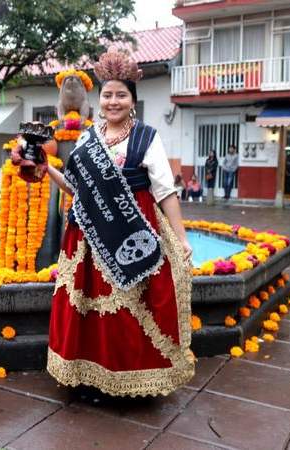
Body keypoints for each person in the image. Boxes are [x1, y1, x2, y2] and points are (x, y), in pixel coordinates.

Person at [13, 47, 195, 397]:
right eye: (108, 95)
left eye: (121, 95)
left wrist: (181, 237)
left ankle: (125, 380)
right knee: (86, 308)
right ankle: (87, 377)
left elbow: (165, 192)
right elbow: (75, 188)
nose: (113, 101)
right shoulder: (87, 138)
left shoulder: (147, 137)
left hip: (132, 230)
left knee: (128, 308)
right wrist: (46, 167)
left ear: (133, 100)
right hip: (87, 237)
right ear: (99, 100)